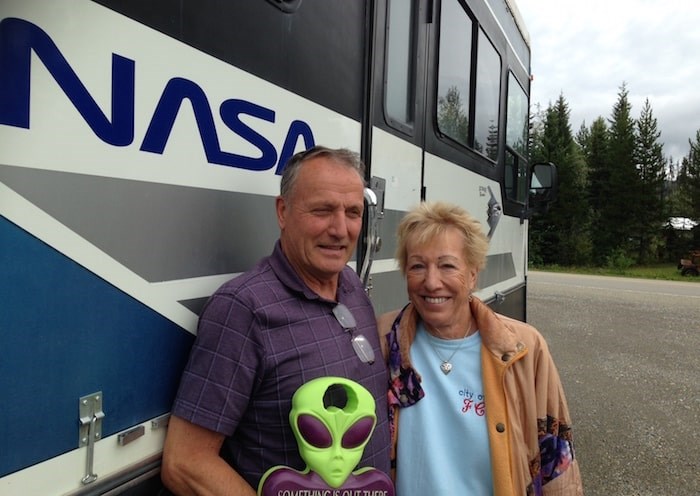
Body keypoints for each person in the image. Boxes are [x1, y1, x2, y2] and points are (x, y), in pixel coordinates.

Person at [161, 146, 391, 495]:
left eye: (353, 212)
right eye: (323, 210)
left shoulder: (353, 286)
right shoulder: (244, 308)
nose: (341, 229)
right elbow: (186, 462)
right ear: (283, 212)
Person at [378, 201, 583, 495]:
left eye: (447, 265)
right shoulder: (385, 339)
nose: (431, 282)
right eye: (417, 266)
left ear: (473, 274)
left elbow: (556, 462)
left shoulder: (524, 349)